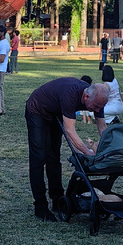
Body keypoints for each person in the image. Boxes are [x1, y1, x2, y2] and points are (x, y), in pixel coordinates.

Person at [24, 77, 110, 221]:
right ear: (86, 96)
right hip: (37, 110)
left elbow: (102, 127)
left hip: (55, 111)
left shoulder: (97, 99)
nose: (97, 110)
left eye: (100, 108)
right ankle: (40, 206)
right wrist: (88, 152)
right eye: (95, 107)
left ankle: (58, 200)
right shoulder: (70, 94)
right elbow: (70, 131)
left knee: (53, 157)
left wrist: (107, 149)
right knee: (39, 157)